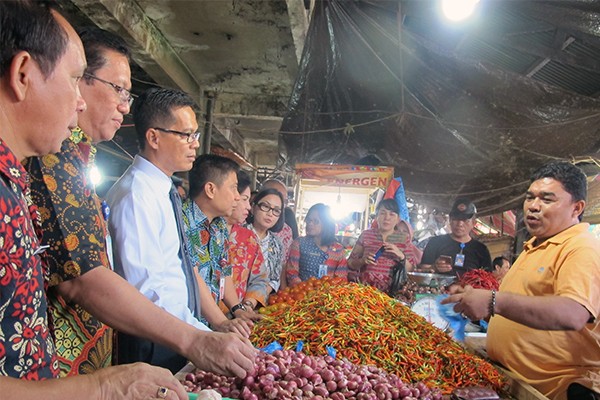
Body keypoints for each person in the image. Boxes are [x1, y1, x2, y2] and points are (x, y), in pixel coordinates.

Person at [0, 1, 187, 398]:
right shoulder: (51, 163)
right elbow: (84, 279)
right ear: (22, 74)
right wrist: (101, 387)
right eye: (74, 79)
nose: (80, 101)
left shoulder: (16, 178)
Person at [106, 87, 255, 375]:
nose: (194, 144)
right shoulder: (137, 196)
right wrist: (199, 335)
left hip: (178, 332)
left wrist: (209, 328)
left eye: (196, 135)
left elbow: (180, 270)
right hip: (155, 339)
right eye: (186, 135)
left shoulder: (163, 192)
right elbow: (148, 292)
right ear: (154, 137)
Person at [443, 161, 600, 400]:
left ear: (576, 208)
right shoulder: (534, 246)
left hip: (551, 392)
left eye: (547, 199)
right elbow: (523, 308)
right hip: (512, 383)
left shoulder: (581, 248)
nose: (533, 207)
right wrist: (475, 299)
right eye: (530, 197)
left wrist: (494, 301)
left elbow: (573, 313)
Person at [181, 154, 253, 335]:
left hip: (208, 326)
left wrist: (237, 310)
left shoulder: (219, 225)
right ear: (211, 189)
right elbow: (193, 277)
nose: (237, 197)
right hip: (182, 326)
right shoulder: (183, 222)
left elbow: (224, 270)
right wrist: (221, 322)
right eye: (234, 188)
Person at [220, 170, 270, 317]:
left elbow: (260, 278)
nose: (249, 206)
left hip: (236, 316)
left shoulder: (248, 238)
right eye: (244, 199)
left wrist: (247, 305)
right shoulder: (207, 232)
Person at [347, 199, 417, 294]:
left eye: (392, 214)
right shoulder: (366, 235)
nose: (387, 218)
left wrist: (401, 256)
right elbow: (350, 263)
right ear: (377, 216)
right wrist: (362, 261)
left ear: (398, 219)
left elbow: (411, 270)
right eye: (383, 213)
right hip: (365, 294)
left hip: (393, 294)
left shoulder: (404, 238)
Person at [419, 197, 492, 276]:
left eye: (465, 220)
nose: (460, 224)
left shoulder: (481, 250)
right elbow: (422, 269)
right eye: (456, 219)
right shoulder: (435, 242)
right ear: (450, 220)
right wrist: (434, 268)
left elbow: (488, 279)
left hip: (469, 288)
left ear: (473, 223)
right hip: (440, 287)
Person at [286, 203, 348, 286]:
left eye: (316, 221)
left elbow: (341, 279)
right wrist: (303, 289)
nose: (310, 224)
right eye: (309, 220)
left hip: (329, 296)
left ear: (326, 224)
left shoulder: (338, 249)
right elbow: (292, 273)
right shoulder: (299, 243)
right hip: (302, 294)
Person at [246, 188, 286, 294]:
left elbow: (274, 280)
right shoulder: (237, 234)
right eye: (266, 206)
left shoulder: (277, 244)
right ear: (253, 208)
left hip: (260, 304)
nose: (270, 214)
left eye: (276, 210)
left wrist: (254, 300)